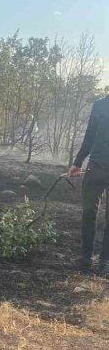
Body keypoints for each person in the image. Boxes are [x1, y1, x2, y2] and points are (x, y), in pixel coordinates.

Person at [68, 90, 109, 274]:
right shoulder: (99, 105)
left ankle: (105, 262)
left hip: (97, 168)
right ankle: (86, 259)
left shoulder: (100, 106)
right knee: (88, 212)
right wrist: (77, 163)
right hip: (95, 168)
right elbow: (89, 136)